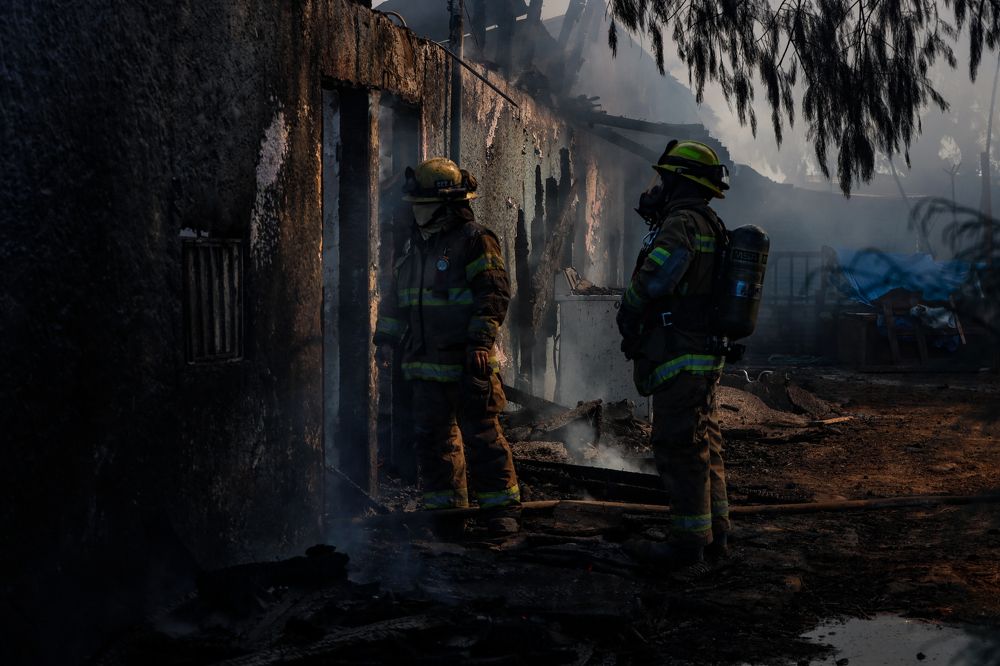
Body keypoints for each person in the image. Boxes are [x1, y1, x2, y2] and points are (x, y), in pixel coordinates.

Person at [373, 157, 521, 536]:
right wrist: (386, 341)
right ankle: (447, 517)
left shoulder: (474, 240)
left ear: (448, 202)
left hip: (466, 361)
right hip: (425, 364)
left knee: (482, 436)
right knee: (435, 442)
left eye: (425, 204)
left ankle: (500, 514)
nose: (417, 213)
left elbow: (494, 294)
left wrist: (480, 342)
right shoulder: (413, 246)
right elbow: (395, 299)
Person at [617, 140, 733, 569]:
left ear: (680, 183)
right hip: (700, 353)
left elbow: (655, 279)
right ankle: (715, 535)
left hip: (680, 353)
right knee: (704, 445)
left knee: (679, 446)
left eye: (663, 178)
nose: (656, 186)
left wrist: (627, 308)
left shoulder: (683, 222)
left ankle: (686, 546)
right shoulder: (710, 222)